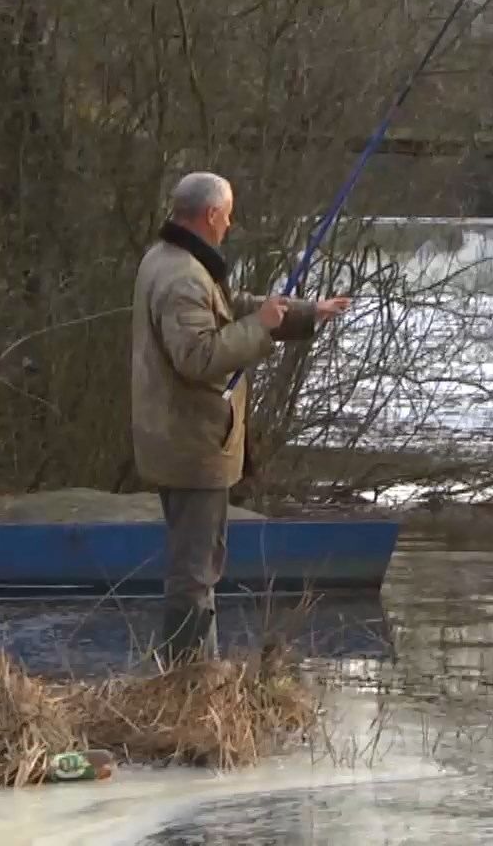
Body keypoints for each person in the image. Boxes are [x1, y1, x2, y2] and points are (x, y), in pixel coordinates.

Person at [131, 172, 351, 665]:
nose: (231, 223)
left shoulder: (173, 260)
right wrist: (260, 328)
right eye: (227, 214)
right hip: (193, 445)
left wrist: (305, 312)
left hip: (181, 439)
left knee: (196, 564)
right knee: (196, 571)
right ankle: (188, 678)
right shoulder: (182, 276)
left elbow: (230, 310)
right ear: (210, 215)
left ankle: (190, 671)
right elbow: (199, 356)